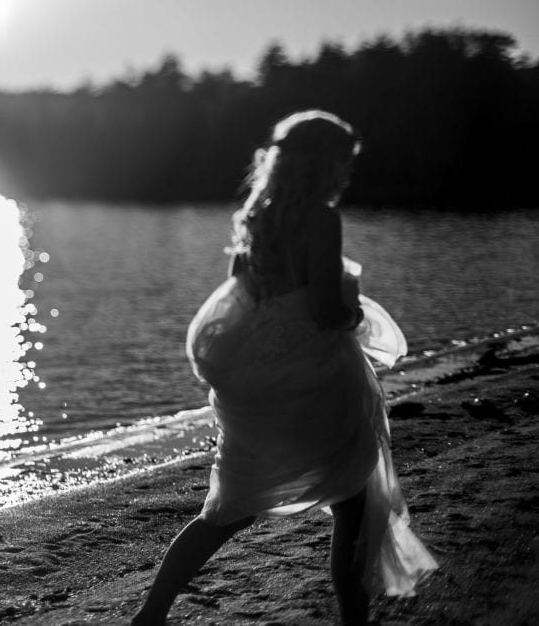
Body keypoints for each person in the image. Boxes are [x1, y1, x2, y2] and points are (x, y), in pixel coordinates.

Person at [132, 111, 437, 625]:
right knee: (354, 505)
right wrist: (356, 311)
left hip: (263, 388)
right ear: (325, 165)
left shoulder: (258, 220)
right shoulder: (321, 219)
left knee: (227, 509)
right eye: (345, 162)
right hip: (317, 382)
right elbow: (323, 310)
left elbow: (244, 300)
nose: (348, 173)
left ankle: (151, 613)